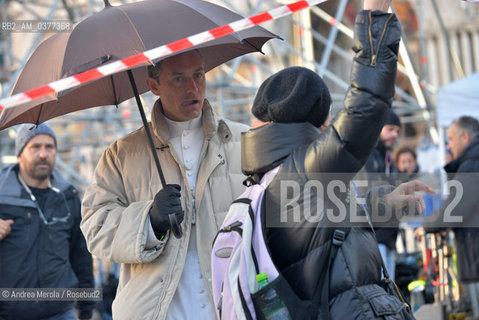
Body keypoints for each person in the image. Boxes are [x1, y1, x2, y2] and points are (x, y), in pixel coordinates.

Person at [240, 0, 430, 317]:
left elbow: (322, 230)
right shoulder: (300, 173)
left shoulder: (278, 179)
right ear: (322, 120)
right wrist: (374, 19)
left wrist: (382, 203)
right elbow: (365, 108)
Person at [80, 50, 249, 319]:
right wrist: (149, 222)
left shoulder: (244, 140)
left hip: (232, 305)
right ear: (153, 86)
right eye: (178, 79)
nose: (193, 88)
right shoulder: (121, 155)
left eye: (198, 75)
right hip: (156, 310)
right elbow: (95, 227)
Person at [0, 123, 95, 320]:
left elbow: (81, 257)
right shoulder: (2, 198)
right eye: (35, 147)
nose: (43, 154)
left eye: (49, 147)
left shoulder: (68, 197)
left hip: (61, 313)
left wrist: (85, 309)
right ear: (20, 153)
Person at [421, 116, 479, 318]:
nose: (449, 146)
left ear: (464, 136)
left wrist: (427, 225)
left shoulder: (473, 163)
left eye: (451, 140)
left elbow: (456, 208)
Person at [356, 109, 402, 280]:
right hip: (375, 234)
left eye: (397, 131)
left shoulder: (387, 158)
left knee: (390, 286)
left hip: (388, 234)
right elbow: (365, 193)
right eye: (390, 129)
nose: (395, 134)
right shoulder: (369, 155)